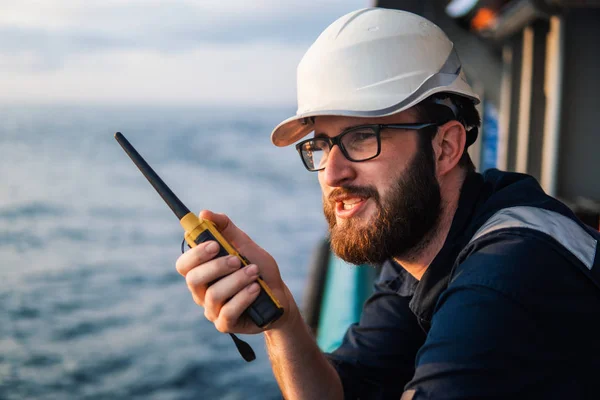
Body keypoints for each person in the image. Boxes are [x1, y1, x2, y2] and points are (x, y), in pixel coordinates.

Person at [175, 8, 600, 399]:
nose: (332, 173)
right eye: (323, 146)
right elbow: (345, 391)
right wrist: (281, 320)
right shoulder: (422, 246)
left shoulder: (508, 274)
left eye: (362, 137)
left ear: (445, 147)